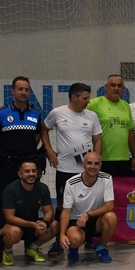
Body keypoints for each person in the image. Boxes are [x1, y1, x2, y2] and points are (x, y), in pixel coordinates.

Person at [41, 82, 102, 222]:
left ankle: (88, 238)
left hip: (86, 170)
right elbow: (44, 130)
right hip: (65, 168)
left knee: (88, 203)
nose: (88, 101)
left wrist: (97, 161)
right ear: (74, 98)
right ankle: (58, 239)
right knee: (63, 203)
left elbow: (97, 140)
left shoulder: (92, 116)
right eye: (85, 98)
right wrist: (49, 150)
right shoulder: (57, 113)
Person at [0, 76, 44, 206]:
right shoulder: (1, 113)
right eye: (20, 89)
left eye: (26, 90)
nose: (23, 92)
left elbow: (36, 138)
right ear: (12, 91)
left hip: (28, 165)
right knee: (4, 198)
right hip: (7, 165)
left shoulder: (36, 113)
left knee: (28, 200)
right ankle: (2, 226)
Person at [58, 152, 117, 263]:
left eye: (96, 164)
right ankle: (73, 249)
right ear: (83, 164)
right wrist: (61, 234)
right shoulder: (71, 183)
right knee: (75, 239)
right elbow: (66, 212)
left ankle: (102, 248)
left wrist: (88, 214)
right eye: (89, 163)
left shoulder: (107, 178)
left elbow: (110, 205)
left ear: (101, 165)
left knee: (111, 217)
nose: (93, 167)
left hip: (96, 221)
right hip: (77, 222)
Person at [0, 160, 57, 264]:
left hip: (33, 224)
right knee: (15, 232)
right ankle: (7, 251)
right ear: (19, 174)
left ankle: (32, 248)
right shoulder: (11, 190)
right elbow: (9, 218)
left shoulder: (43, 188)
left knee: (55, 225)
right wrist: (32, 224)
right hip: (14, 225)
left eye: (33, 171)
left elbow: (49, 211)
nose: (31, 174)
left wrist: (45, 222)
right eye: (27, 171)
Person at [87, 74, 135, 178]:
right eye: (113, 85)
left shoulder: (126, 105)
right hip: (103, 160)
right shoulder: (94, 104)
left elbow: (130, 132)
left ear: (123, 88)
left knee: (122, 193)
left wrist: (134, 156)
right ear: (106, 86)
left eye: (119, 86)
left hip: (124, 159)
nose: (116, 88)